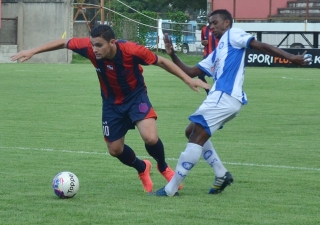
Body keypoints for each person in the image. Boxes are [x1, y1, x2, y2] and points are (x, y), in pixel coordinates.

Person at [11, 25, 210, 193]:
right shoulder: (89, 49)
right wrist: (32, 51)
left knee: (150, 137)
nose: (94, 49)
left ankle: (163, 166)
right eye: (92, 45)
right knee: (115, 150)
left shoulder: (132, 50)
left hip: (136, 97)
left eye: (99, 45)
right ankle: (142, 167)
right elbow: (63, 42)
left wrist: (187, 79)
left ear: (112, 43)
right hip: (111, 103)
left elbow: (162, 61)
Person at [155, 9, 310, 196]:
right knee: (191, 131)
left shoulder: (233, 34)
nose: (211, 27)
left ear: (227, 23)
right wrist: (172, 54)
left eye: (215, 23)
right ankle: (221, 174)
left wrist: (291, 58)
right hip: (226, 100)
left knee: (196, 136)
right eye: (210, 24)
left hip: (224, 96)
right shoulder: (217, 52)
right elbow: (190, 71)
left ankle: (170, 189)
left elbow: (261, 46)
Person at [198, 11, 219, 95]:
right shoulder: (204, 29)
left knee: (217, 77)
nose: (209, 17)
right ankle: (208, 92)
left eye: (211, 16)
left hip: (217, 57)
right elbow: (202, 41)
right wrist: (203, 42)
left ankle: (217, 93)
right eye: (208, 16)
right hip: (206, 57)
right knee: (200, 76)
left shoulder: (218, 29)